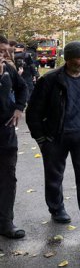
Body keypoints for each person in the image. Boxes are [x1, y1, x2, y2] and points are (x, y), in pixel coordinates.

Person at [26, 41, 80, 234]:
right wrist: (41, 139)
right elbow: (34, 112)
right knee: (55, 176)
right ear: (68, 58)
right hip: (55, 136)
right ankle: (57, 209)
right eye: (79, 57)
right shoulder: (50, 80)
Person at [0, 35, 28, 239]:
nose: (4, 54)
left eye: (4, 50)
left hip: (6, 135)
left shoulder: (8, 70)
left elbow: (22, 87)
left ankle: (6, 223)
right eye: (0, 51)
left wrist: (19, 108)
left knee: (8, 178)